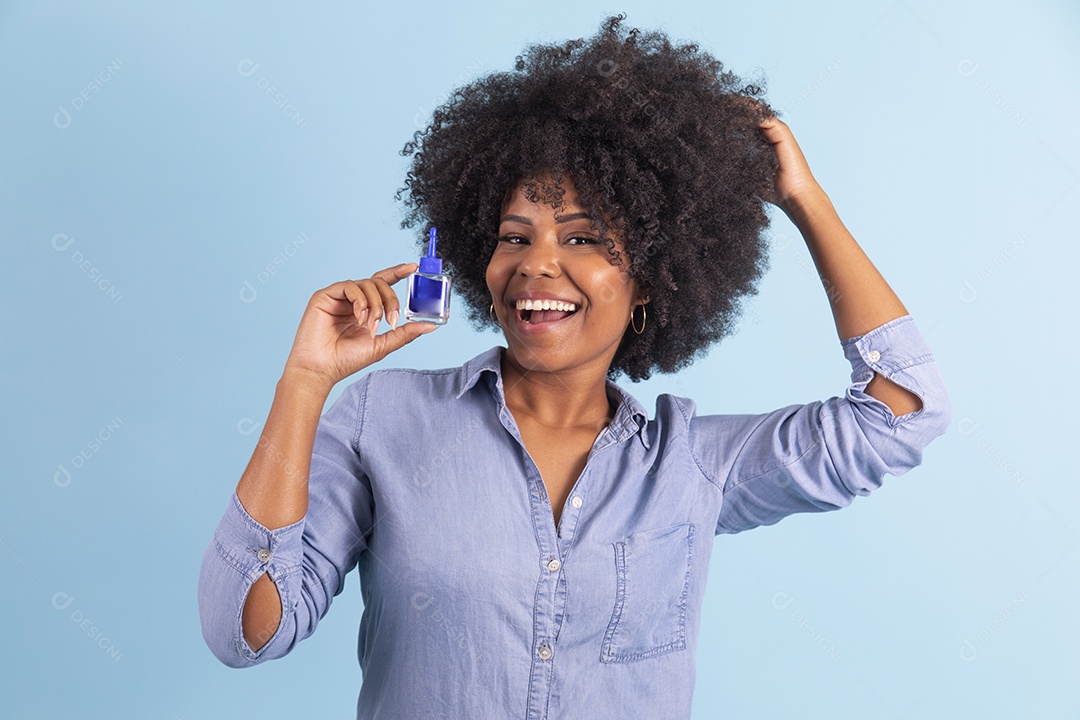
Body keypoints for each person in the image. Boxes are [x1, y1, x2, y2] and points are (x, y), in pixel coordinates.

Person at [198, 14, 950, 719]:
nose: (539, 266)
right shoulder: (383, 421)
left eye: (584, 239)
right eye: (514, 237)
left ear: (650, 276)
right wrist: (304, 385)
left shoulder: (690, 467)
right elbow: (247, 631)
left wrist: (803, 199)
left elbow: (900, 415)